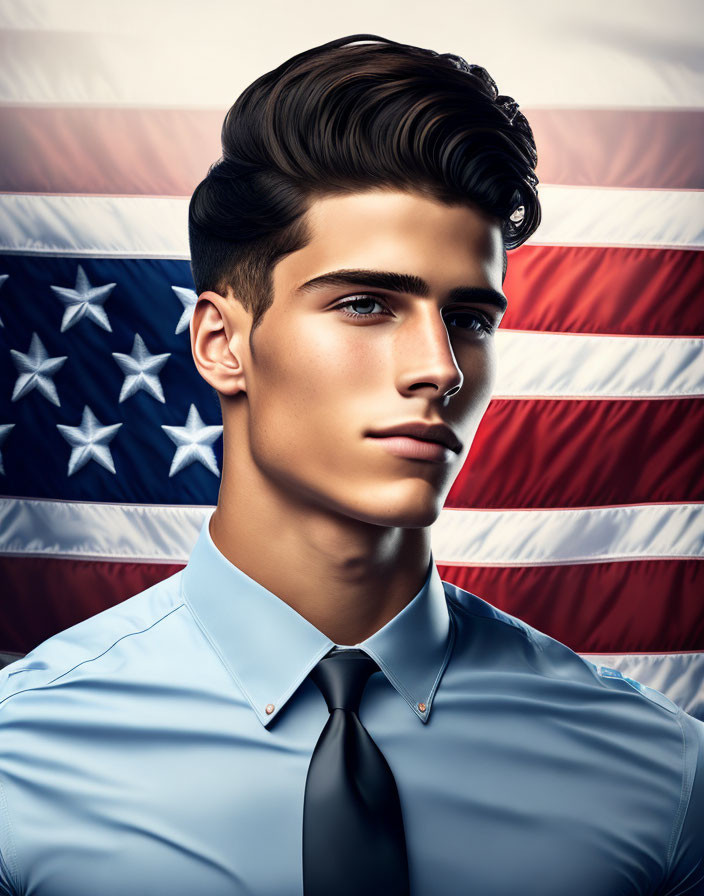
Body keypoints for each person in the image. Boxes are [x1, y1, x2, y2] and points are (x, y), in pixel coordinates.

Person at [0, 32, 702, 895]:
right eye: (367, 304)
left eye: (471, 319)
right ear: (222, 343)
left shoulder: (662, 775)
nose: (440, 368)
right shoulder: (21, 760)